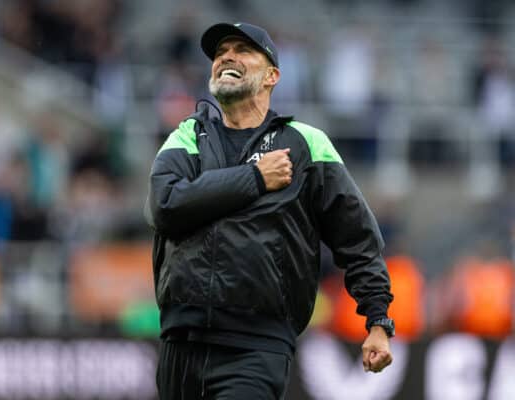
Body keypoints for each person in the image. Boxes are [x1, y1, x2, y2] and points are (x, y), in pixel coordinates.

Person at [145, 22, 394, 399]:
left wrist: (377, 320)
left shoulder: (307, 144)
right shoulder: (187, 136)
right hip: (181, 343)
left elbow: (358, 239)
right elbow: (164, 206)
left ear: (272, 76)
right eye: (220, 52)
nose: (226, 56)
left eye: (242, 50)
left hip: (256, 347)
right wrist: (255, 178)